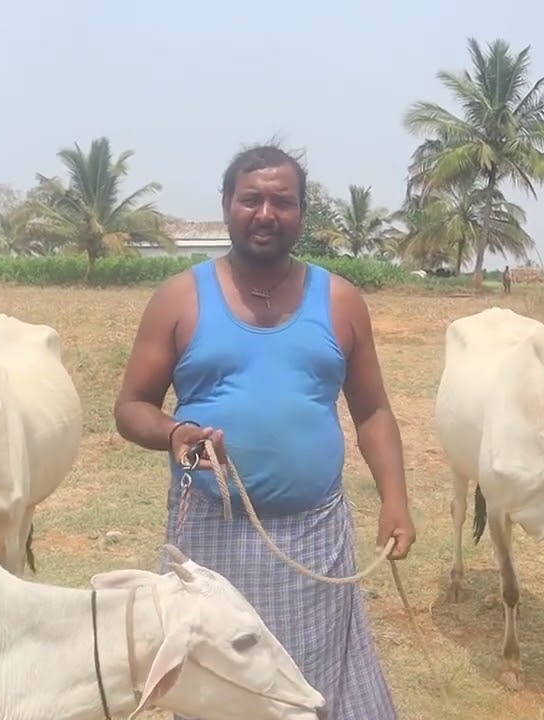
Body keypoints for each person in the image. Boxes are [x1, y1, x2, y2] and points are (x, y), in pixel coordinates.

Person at [113, 143, 414, 719]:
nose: (266, 213)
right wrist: (176, 433)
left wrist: (395, 501)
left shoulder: (342, 301)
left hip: (316, 539)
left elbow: (373, 411)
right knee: (218, 691)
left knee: (309, 686)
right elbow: (131, 406)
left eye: (283, 201)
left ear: (302, 213)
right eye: (251, 199)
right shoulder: (180, 298)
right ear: (227, 205)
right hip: (211, 535)